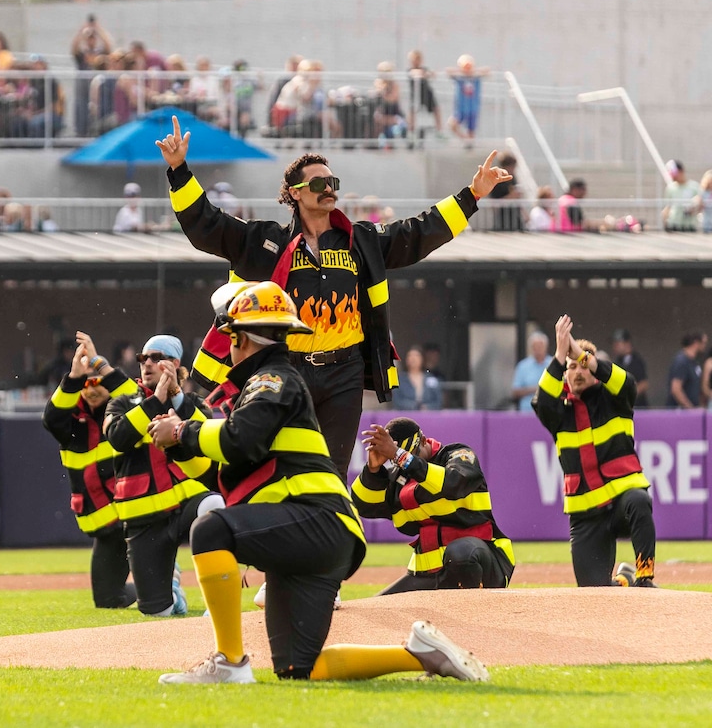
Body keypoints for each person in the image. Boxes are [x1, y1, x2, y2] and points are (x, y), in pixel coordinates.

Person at [149, 282, 487, 684]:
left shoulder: (273, 381)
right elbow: (221, 469)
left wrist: (182, 430)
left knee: (209, 530)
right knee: (299, 669)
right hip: (324, 535)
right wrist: (178, 445)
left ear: (240, 338)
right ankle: (421, 656)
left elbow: (239, 439)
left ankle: (229, 662)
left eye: (230, 338)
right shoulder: (269, 386)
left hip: (313, 523)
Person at [157, 115, 512, 474]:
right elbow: (207, 225)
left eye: (332, 182)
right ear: (294, 192)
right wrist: (179, 171)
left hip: (345, 373)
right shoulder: (265, 241)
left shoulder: (362, 240)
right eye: (318, 183)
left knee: (332, 471)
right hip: (285, 370)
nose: (328, 188)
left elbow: (418, 232)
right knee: (275, 466)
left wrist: (472, 195)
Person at [103, 334, 223, 617]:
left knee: (215, 505)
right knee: (159, 613)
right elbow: (118, 437)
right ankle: (173, 589)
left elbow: (210, 436)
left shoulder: (191, 402)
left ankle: (218, 603)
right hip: (143, 517)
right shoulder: (121, 403)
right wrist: (156, 401)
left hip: (186, 503)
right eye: (143, 358)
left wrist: (177, 397)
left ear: (175, 364)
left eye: (157, 358)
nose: (147, 364)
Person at [533, 315, 656, 587]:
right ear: (565, 374)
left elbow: (627, 382)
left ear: (594, 369)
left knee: (639, 500)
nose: (578, 371)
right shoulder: (558, 412)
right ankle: (624, 581)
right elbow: (542, 402)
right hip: (586, 514)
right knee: (593, 593)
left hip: (622, 502)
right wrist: (559, 355)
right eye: (571, 367)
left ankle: (644, 576)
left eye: (583, 365)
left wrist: (580, 353)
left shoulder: (615, 398)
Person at [352, 416, 514, 593]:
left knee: (461, 554)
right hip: (428, 574)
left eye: (409, 454)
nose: (403, 463)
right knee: (380, 606)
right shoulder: (400, 476)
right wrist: (372, 470)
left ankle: (477, 606)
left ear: (423, 440)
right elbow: (365, 507)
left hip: (483, 560)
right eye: (395, 458)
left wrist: (400, 456)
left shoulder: (458, 455)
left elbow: (453, 483)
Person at [42, 331, 139, 609]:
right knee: (108, 601)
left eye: (99, 382)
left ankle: (164, 580)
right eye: (87, 383)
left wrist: (100, 366)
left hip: (133, 520)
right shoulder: (70, 422)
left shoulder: (123, 414)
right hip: (104, 528)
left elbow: (139, 400)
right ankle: (163, 581)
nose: (93, 388)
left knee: (154, 598)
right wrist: (74, 376)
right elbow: (51, 419)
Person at [446, 55, 490, 142]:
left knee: (471, 130)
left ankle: (469, 143)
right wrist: (461, 71)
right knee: (452, 124)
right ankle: (464, 139)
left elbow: (487, 71)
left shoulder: (475, 78)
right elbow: (448, 71)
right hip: (461, 108)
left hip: (472, 108)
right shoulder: (460, 78)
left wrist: (473, 71)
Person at [390, 346, 442, 411]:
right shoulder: (399, 380)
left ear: (422, 359)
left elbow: (438, 401)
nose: (413, 359)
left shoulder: (431, 379)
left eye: (416, 356)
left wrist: (427, 407)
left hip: (428, 414)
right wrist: (414, 406)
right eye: (410, 356)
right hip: (406, 414)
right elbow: (397, 401)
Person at [510, 331, 550, 412]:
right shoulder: (523, 366)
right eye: (535, 347)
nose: (538, 349)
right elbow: (515, 392)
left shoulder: (553, 364)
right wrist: (535, 389)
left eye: (540, 346)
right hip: (527, 412)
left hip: (549, 412)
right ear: (531, 348)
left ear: (546, 347)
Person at [666, 332, 707, 409]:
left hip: (693, 409)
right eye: (703, 343)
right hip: (680, 411)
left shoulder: (694, 362)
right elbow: (676, 389)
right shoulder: (682, 361)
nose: (705, 346)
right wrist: (690, 409)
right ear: (696, 343)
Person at [611, 329, 649, 408]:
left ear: (627, 343)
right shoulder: (616, 363)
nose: (615, 347)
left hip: (638, 406)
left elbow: (644, 384)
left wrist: (629, 394)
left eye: (618, 344)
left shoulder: (637, 361)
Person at [489, 153, 524, 231]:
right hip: (503, 221)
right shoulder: (497, 181)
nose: (513, 169)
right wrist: (511, 196)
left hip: (515, 218)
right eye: (512, 166)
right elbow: (494, 203)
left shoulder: (512, 178)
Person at [663, 160, 701, 232]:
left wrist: (693, 209)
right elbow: (668, 207)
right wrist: (665, 220)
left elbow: (700, 204)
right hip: (674, 224)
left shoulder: (694, 187)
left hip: (690, 225)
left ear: (681, 171)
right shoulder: (670, 188)